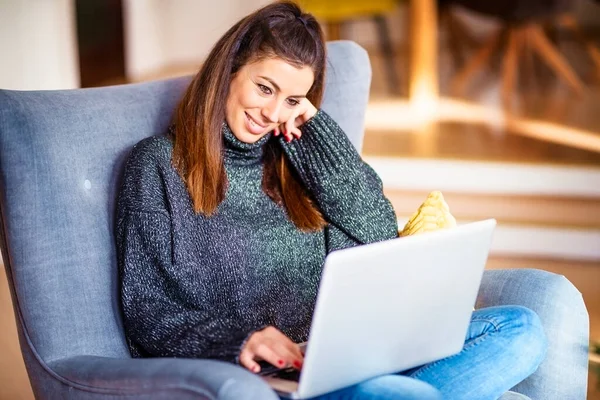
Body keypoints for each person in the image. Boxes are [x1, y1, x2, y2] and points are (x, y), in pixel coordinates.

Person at [115, 1, 547, 399]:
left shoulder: (296, 155)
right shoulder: (157, 167)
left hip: (352, 357)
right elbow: (148, 309)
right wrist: (241, 343)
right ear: (229, 70)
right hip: (269, 379)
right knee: (403, 395)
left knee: (522, 328)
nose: (272, 114)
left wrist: (317, 134)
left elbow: (379, 232)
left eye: (293, 100)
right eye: (264, 88)